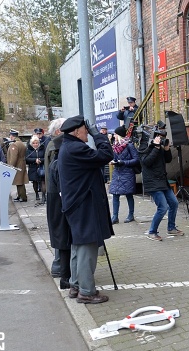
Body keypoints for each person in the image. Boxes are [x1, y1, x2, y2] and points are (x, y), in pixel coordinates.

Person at [58, 115, 114, 304]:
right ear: (76, 131)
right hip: (83, 205)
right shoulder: (76, 148)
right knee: (87, 248)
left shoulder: (69, 146)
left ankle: (75, 285)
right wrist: (99, 136)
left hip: (77, 204)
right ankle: (87, 292)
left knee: (78, 246)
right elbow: (106, 155)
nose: (87, 133)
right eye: (85, 130)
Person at [140, 122, 184, 241]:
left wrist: (166, 149)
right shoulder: (144, 145)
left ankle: (171, 228)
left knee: (174, 203)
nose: (160, 135)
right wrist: (156, 147)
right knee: (163, 207)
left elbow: (168, 160)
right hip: (152, 182)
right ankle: (152, 232)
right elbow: (146, 162)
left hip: (162, 181)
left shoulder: (158, 144)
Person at [45, 118, 72, 289]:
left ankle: (60, 269)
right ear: (58, 132)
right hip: (58, 195)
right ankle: (62, 272)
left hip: (54, 192)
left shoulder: (53, 145)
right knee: (62, 236)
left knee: (60, 235)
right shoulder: (56, 147)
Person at [109, 126, 138, 224]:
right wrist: (114, 161)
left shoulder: (129, 145)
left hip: (127, 173)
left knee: (129, 194)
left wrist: (123, 162)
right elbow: (114, 157)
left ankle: (131, 215)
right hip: (117, 172)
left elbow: (136, 160)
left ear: (119, 135)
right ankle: (115, 217)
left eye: (115, 134)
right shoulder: (115, 146)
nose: (114, 136)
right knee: (115, 194)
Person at [6, 129, 28, 202]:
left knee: (19, 182)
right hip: (21, 164)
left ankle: (22, 196)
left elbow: (14, 157)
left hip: (17, 165)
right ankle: (20, 195)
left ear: (12, 136)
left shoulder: (14, 145)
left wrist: (11, 166)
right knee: (20, 181)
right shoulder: (21, 143)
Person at [25, 135, 45, 203]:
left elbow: (46, 157)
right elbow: (27, 159)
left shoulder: (42, 148)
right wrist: (34, 160)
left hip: (41, 167)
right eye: (34, 143)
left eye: (36, 143)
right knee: (35, 182)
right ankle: (36, 194)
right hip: (33, 168)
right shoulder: (29, 150)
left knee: (42, 181)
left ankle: (43, 195)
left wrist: (40, 160)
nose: (35, 144)